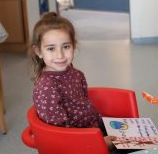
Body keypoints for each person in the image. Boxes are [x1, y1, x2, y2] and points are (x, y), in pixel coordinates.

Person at [30, 12, 115, 150]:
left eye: (66, 46)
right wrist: (98, 141)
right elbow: (59, 133)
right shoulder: (46, 87)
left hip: (93, 130)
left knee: (142, 140)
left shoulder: (76, 74)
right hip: (78, 143)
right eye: (51, 48)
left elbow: (85, 106)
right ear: (38, 51)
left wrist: (101, 129)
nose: (60, 55)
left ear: (73, 45)